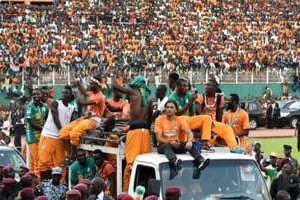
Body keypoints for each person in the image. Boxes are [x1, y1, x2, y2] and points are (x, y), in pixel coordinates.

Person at [112, 75, 152, 191]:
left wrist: (113, 76)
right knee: (145, 164)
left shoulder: (133, 91)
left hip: (134, 131)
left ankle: (126, 193)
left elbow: (116, 87)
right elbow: (149, 119)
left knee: (130, 166)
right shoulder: (149, 98)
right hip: (145, 132)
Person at [154, 100, 209, 180]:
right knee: (167, 145)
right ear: (165, 109)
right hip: (163, 146)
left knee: (190, 145)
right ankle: (174, 161)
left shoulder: (179, 120)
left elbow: (189, 133)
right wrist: (170, 142)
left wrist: (189, 141)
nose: (169, 109)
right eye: (167, 107)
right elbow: (158, 138)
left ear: (176, 110)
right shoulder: (159, 119)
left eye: (171, 107)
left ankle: (200, 160)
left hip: (176, 144)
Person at [60, 76, 105, 158]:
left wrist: (75, 92)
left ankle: (72, 156)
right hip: (86, 118)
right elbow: (84, 92)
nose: (89, 85)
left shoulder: (100, 96)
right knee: (63, 133)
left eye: (91, 84)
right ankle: (69, 153)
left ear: (97, 85)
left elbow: (83, 102)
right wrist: (78, 83)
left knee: (74, 134)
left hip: (94, 120)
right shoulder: (93, 93)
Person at [38, 85, 75, 180]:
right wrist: (63, 131)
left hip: (60, 138)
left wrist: (65, 134)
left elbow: (69, 122)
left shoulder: (72, 108)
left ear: (71, 95)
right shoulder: (56, 103)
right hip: (49, 136)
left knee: (60, 164)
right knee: (44, 162)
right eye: (63, 92)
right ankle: (43, 184)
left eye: (66, 93)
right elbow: (56, 118)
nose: (64, 94)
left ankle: (60, 185)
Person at [25, 88, 49, 173]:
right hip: (32, 136)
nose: (36, 96)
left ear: (41, 95)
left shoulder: (45, 107)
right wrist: (44, 129)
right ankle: (37, 180)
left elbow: (48, 119)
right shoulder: (30, 107)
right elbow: (30, 122)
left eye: (38, 94)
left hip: (42, 134)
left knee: (41, 157)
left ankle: (32, 177)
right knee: (36, 159)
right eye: (34, 94)